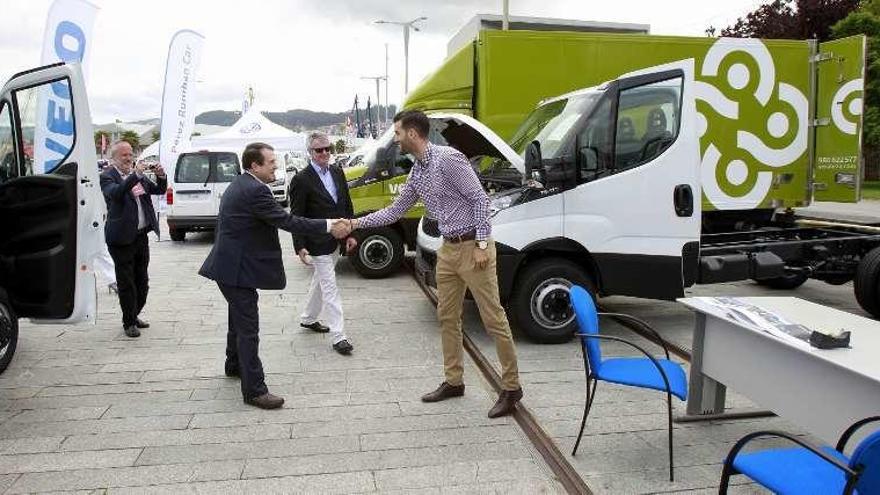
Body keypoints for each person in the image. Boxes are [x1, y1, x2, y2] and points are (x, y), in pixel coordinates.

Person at [351, 110, 523, 418]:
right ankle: (454, 380)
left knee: (493, 319)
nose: (397, 138)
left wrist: (483, 244)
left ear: (414, 134)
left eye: (398, 133)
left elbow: (480, 200)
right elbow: (394, 211)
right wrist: (354, 223)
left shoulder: (449, 160)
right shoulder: (417, 172)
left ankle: (511, 387)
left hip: (474, 248)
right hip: (448, 250)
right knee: (447, 317)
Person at [199, 142, 350, 410]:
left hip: (229, 265)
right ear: (255, 165)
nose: (276, 167)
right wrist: (329, 225)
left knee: (237, 318)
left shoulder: (242, 183)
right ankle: (254, 390)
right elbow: (288, 221)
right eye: (271, 163)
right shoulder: (256, 190)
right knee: (248, 328)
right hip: (234, 268)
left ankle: (233, 365)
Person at [289, 132, 357, 355]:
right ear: (310, 152)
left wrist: (350, 233)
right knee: (330, 286)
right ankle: (339, 336)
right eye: (320, 150)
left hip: (337, 240)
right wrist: (300, 246)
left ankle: (308, 318)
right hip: (316, 241)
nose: (325, 153)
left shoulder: (338, 172)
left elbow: (346, 205)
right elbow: (296, 215)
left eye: (328, 148)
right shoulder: (301, 179)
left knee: (320, 281)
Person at [100, 141, 166, 338]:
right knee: (126, 282)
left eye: (130, 154)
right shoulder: (107, 177)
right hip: (120, 238)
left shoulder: (138, 176)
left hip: (140, 236)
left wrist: (161, 176)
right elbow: (117, 194)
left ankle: (134, 314)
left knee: (142, 281)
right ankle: (128, 322)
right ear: (114, 159)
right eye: (124, 156)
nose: (129, 159)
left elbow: (158, 190)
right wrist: (135, 175)